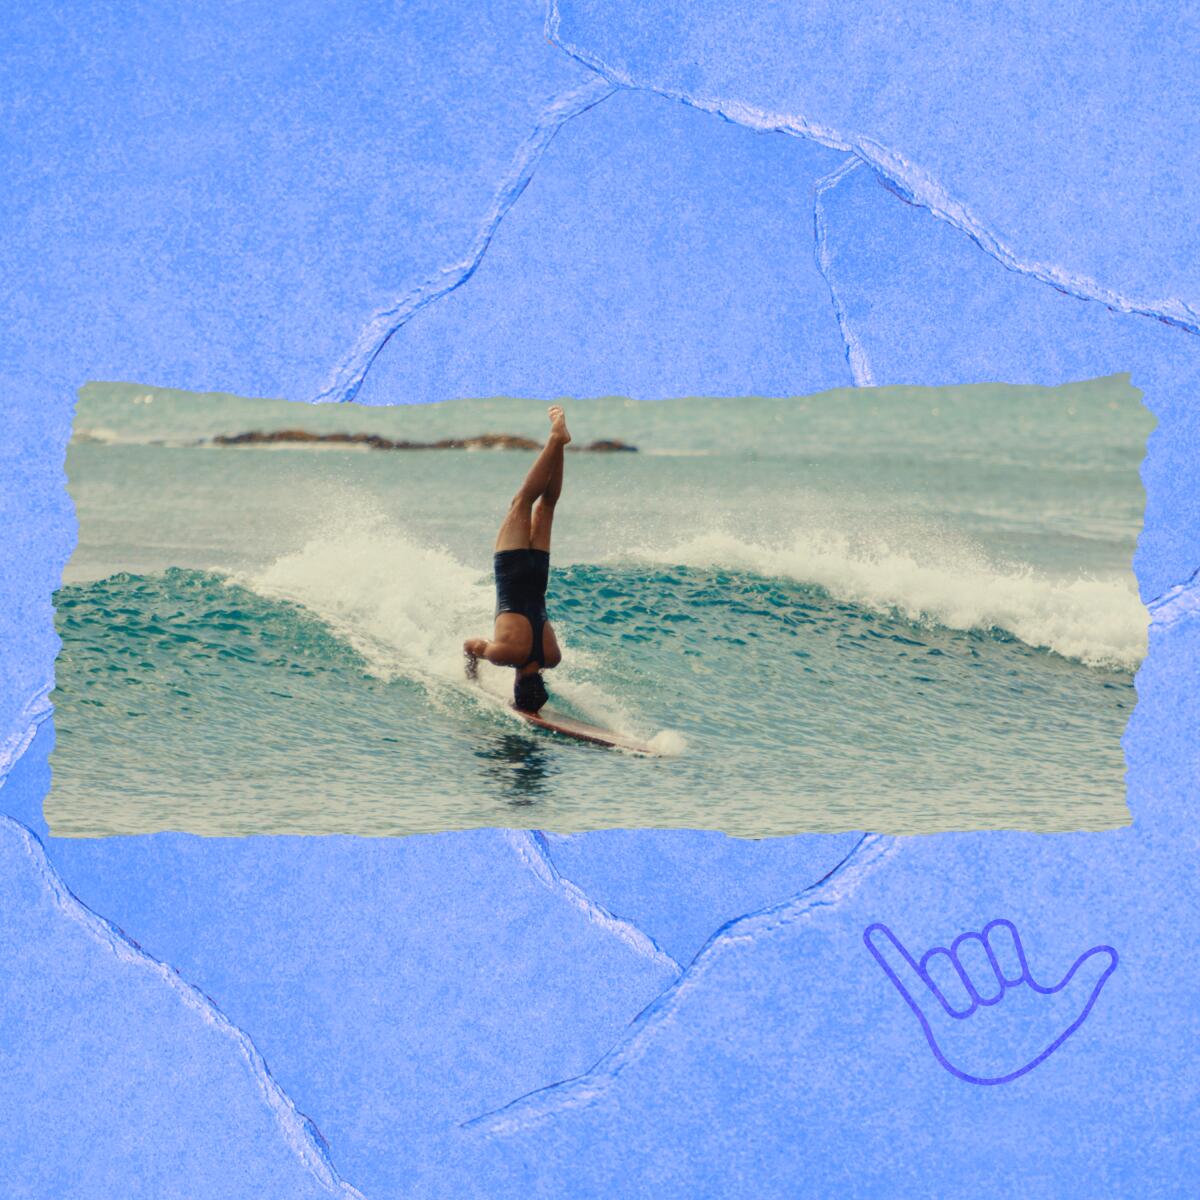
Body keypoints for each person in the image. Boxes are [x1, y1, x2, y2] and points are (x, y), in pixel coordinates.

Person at [463, 405, 568, 713]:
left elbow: (536, 665)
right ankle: (554, 438)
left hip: (538, 576)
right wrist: (472, 680)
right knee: (522, 500)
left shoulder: (552, 657)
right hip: (512, 573)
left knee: (546, 505)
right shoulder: (503, 655)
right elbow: (470, 646)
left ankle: (559, 443)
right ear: (516, 685)